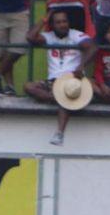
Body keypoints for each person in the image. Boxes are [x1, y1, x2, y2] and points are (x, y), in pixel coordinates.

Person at [24, 7, 95, 145]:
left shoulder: (76, 35)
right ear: (52, 24)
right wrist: (44, 20)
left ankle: (59, 133)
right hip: (53, 82)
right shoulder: (48, 36)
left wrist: (81, 66)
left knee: (65, 93)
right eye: (58, 22)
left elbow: (92, 47)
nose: (62, 25)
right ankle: (59, 98)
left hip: (72, 81)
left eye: (65, 21)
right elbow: (30, 37)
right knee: (28, 87)